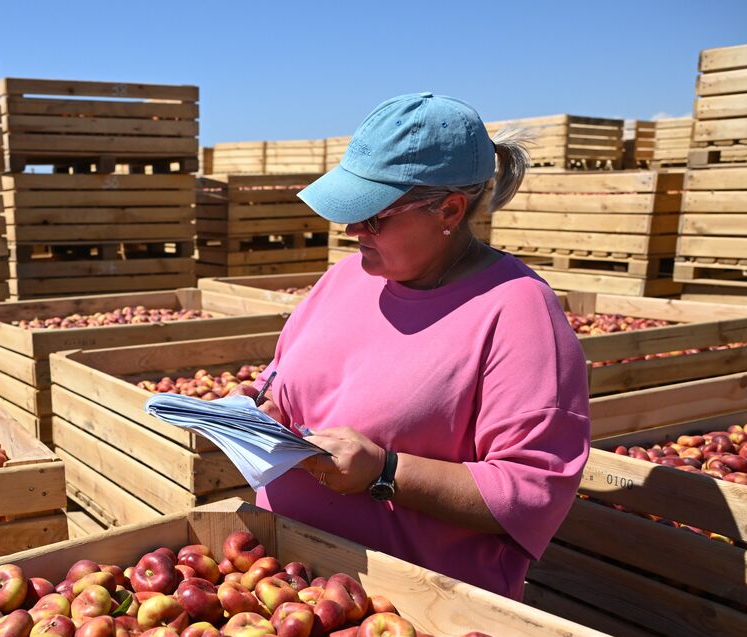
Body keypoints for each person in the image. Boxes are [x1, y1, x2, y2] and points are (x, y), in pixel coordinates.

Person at [246, 93, 590, 601]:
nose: (351, 230)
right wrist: (258, 410)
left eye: (374, 216)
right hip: (280, 583)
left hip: (408, 621)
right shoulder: (343, 280)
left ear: (448, 209)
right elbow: (281, 381)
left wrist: (385, 472)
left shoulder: (517, 313)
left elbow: (533, 492)